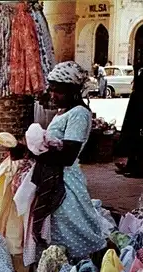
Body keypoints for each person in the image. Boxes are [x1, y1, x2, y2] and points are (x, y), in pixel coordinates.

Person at [36, 61, 106, 260]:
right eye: (52, 90)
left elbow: (67, 156)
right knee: (60, 225)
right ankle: (59, 268)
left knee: (72, 224)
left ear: (73, 90)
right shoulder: (66, 111)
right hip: (57, 175)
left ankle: (77, 265)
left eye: (58, 91)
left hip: (66, 181)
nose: (53, 95)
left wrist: (33, 152)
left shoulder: (79, 114)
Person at [114, 58, 143, 178]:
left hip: (139, 107)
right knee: (133, 136)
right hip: (136, 106)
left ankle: (135, 166)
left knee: (137, 137)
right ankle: (132, 165)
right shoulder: (140, 70)